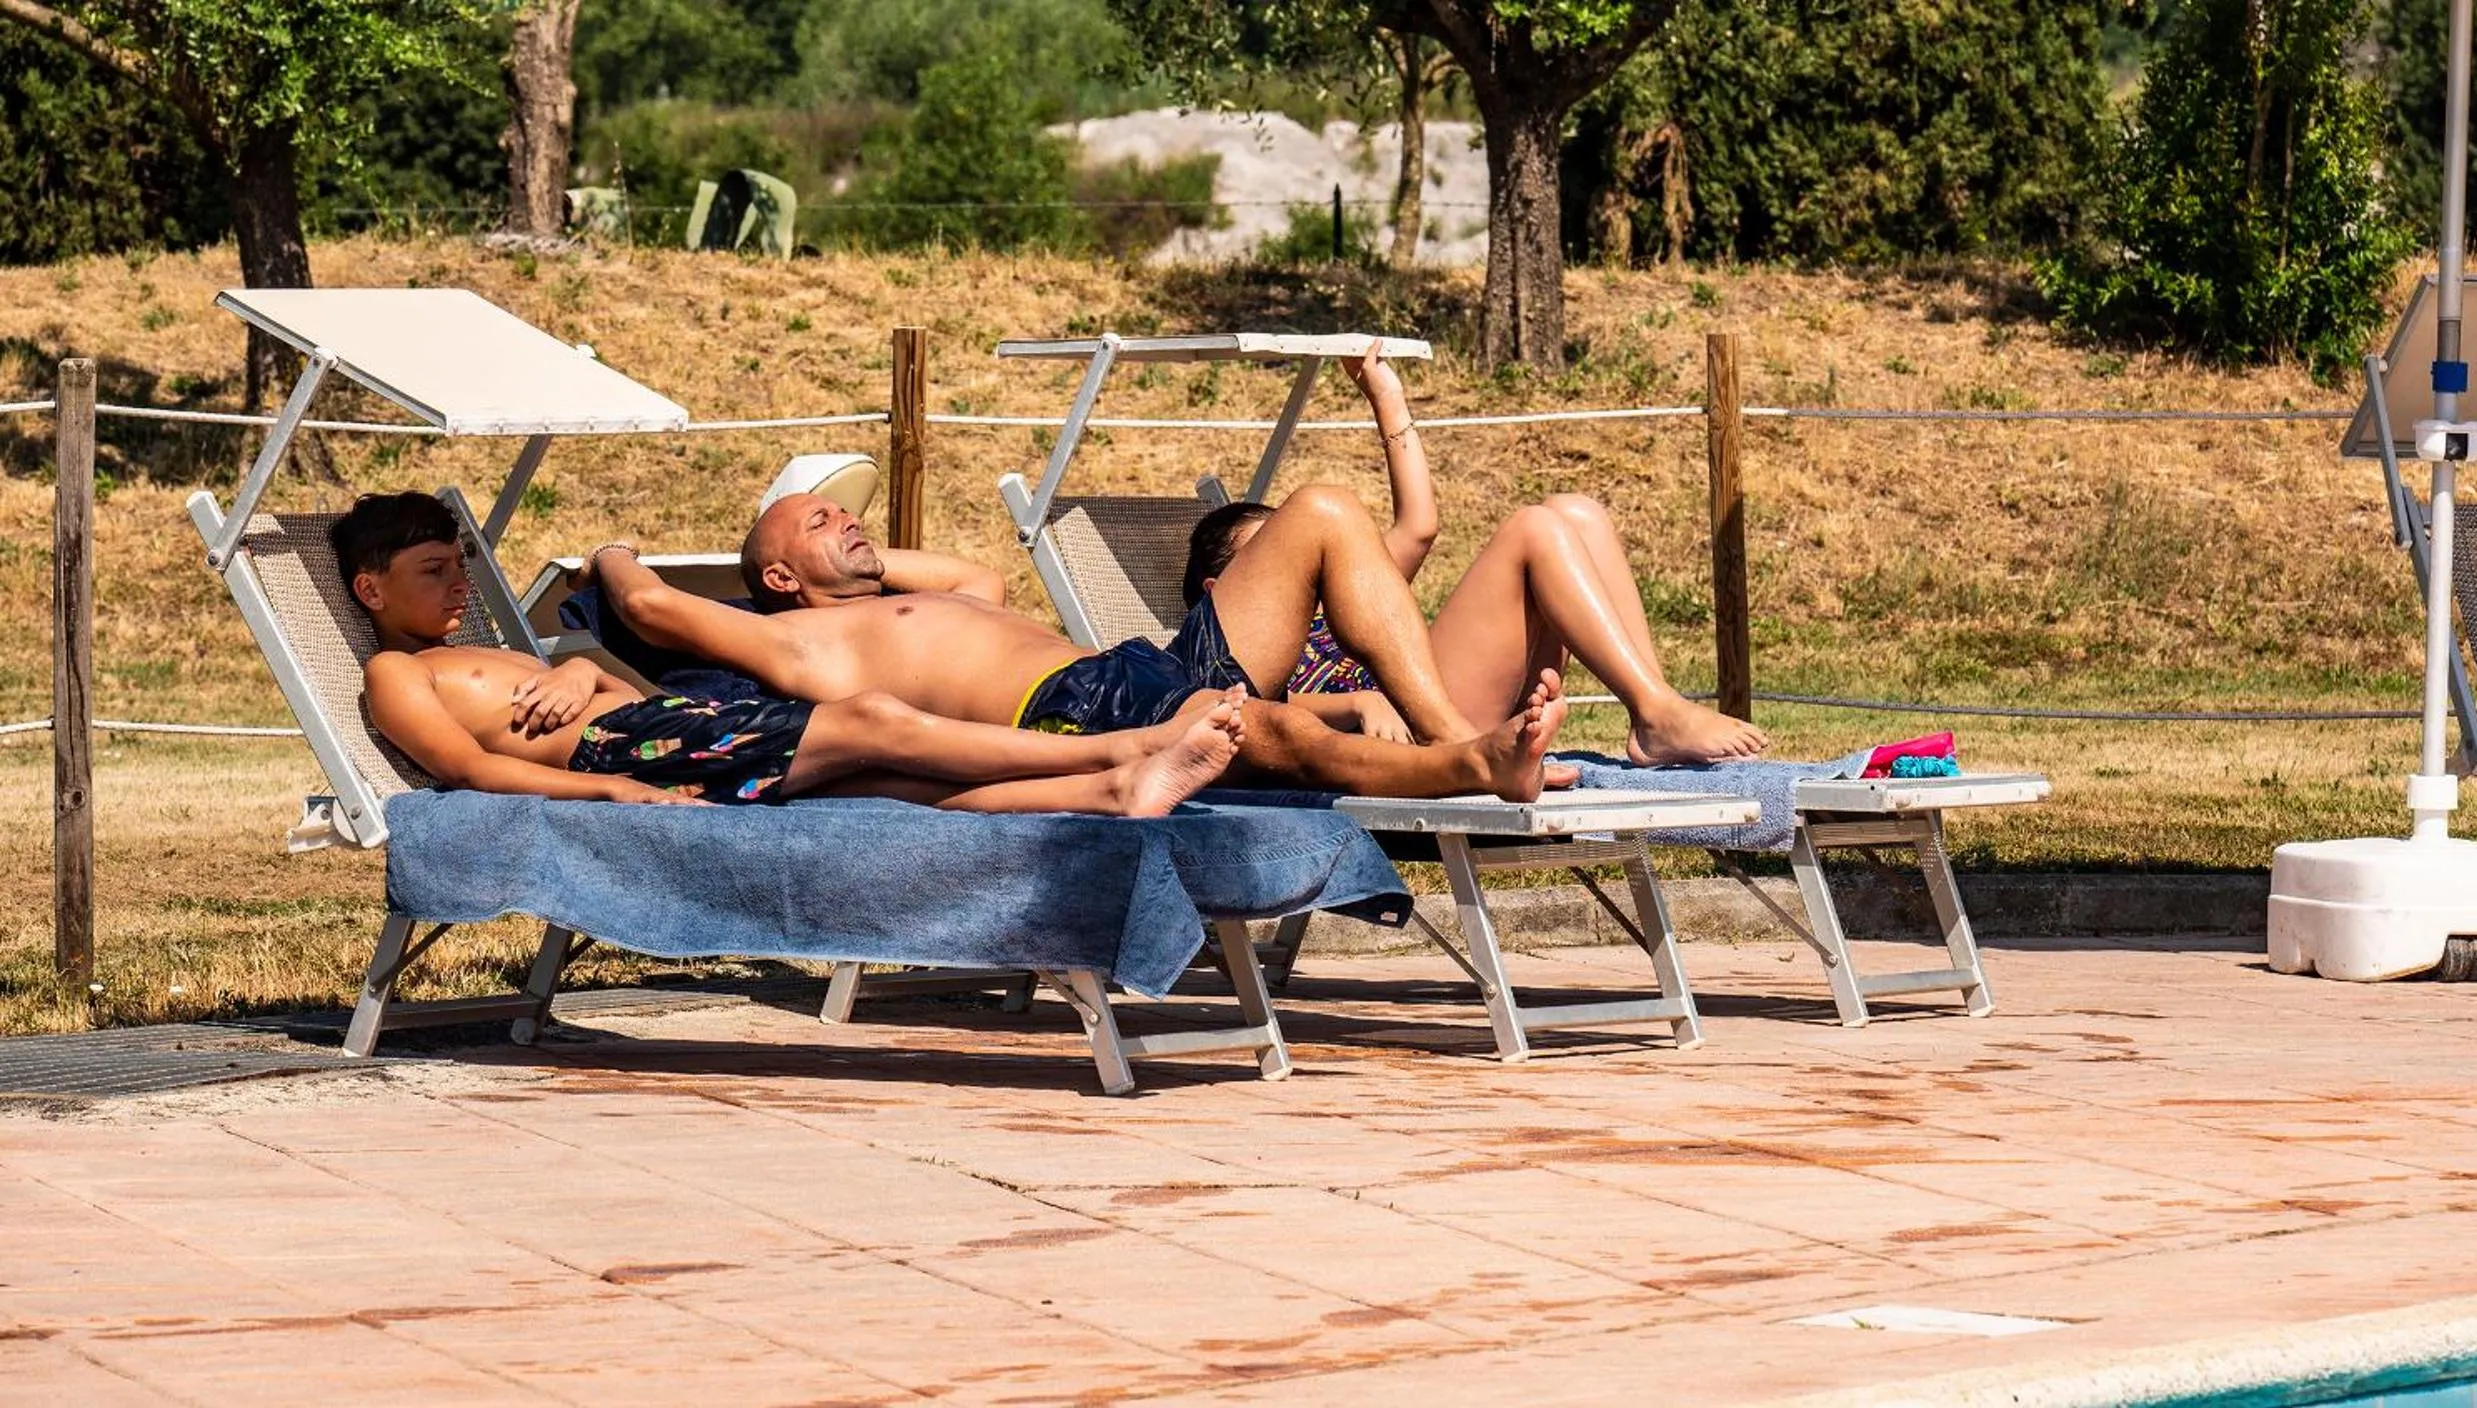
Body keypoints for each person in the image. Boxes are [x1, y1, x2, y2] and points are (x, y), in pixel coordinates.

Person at [585, 485, 1573, 802]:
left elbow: (972, 577)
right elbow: (654, 609)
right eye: (817, 521)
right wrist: (611, 550)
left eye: (844, 507)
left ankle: (1452, 734)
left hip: (1136, 668)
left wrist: (865, 558)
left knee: (1321, 508)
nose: (845, 517)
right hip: (1078, 715)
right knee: (1262, 730)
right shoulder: (807, 649)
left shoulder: (915, 600)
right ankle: (1467, 768)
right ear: (778, 582)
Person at [335, 492, 1243, 817]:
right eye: (433, 572)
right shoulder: (397, 674)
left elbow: (609, 684)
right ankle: (1116, 752)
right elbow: (467, 770)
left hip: (661, 727)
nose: (459, 586)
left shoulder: (486, 652)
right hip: (628, 756)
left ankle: (1112, 794)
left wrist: (575, 668)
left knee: (903, 785)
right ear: (371, 590)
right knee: (878, 724)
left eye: (460, 567)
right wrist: (613, 790)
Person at [1182, 342, 1770, 766]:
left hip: (1438, 704)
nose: (1294, 554)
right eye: (1269, 549)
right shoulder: (1221, 646)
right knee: (1533, 529)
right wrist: (1356, 702)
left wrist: (1383, 392)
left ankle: (1654, 708)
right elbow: (1254, 712)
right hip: (1413, 737)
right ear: (1219, 587)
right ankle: (1657, 714)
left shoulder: (1337, 598)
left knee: (1576, 514)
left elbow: (1419, 524)